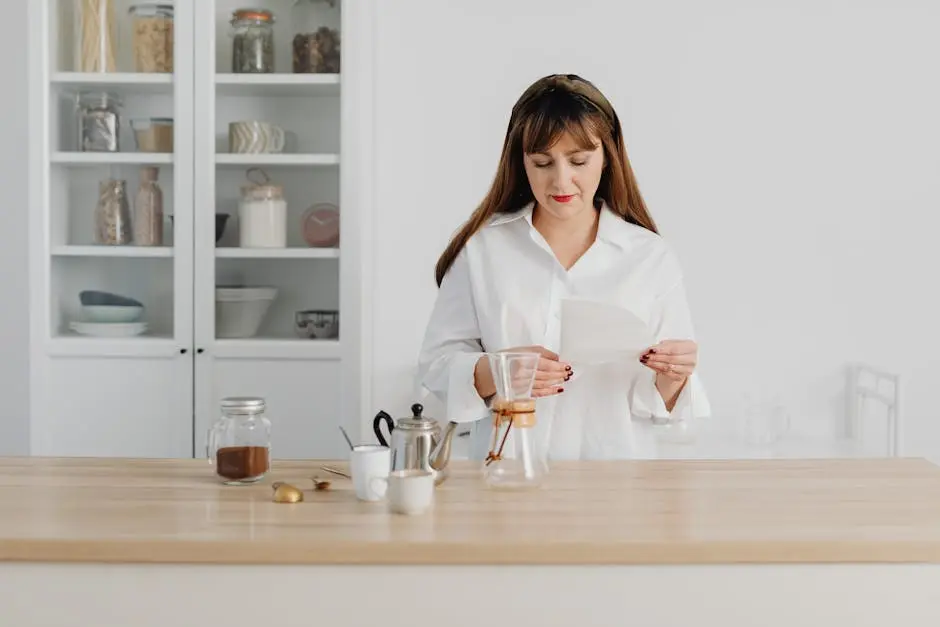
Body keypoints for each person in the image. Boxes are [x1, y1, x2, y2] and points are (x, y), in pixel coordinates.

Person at [415, 73, 710, 460]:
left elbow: (664, 403)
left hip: (616, 480)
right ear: (521, 163)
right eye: (542, 163)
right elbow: (435, 367)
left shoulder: (649, 257)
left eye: (578, 161)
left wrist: (675, 374)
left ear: (607, 159)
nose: (561, 180)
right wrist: (499, 371)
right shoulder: (484, 250)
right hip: (509, 473)